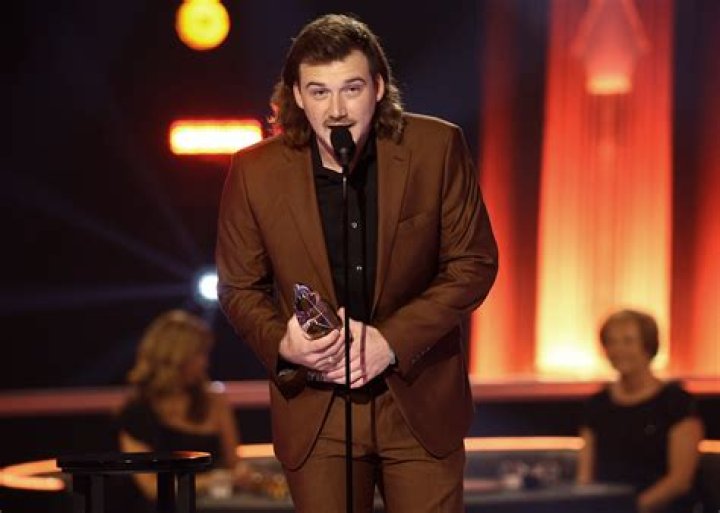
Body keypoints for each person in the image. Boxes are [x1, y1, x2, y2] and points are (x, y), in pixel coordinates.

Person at [216, 13, 498, 513]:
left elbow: (472, 263)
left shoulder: (435, 148)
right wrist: (284, 345)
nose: (337, 110)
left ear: (379, 88)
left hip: (418, 399)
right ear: (297, 96)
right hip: (316, 405)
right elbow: (239, 288)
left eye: (352, 88)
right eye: (319, 92)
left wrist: (390, 342)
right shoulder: (255, 171)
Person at [116, 310, 253, 507]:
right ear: (176, 358)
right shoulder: (135, 413)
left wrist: (242, 473)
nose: (205, 363)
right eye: (199, 354)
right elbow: (152, 488)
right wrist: (212, 480)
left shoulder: (215, 401)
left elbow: (234, 463)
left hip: (215, 506)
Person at [577, 309, 704, 513]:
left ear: (648, 346)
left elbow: (680, 481)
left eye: (628, 341)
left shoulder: (677, 403)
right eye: (611, 342)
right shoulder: (596, 405)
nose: (618, 349)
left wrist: (630, 509)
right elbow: (585, 477)